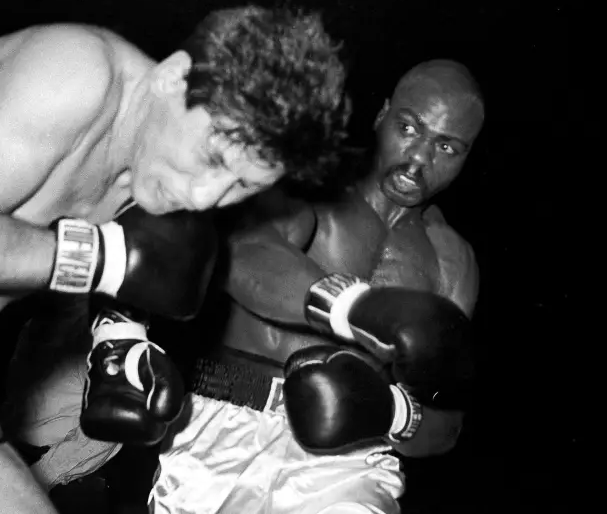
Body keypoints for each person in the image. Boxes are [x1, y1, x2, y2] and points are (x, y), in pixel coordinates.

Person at [0, 5, 352, 514]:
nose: (205, 195)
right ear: (174, 77)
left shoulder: (155, 185)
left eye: (241, 186)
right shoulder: (77, 71)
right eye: (213, 157)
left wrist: (121, 340)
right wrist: (107, 260)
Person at [147, 59, 485, 514]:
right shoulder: (311, 188)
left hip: (349, 464)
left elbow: (446, 422)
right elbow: (244, 256)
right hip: (223, 429)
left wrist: (393, 412)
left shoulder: (453, 261)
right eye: (409, 127)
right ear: (382, 114)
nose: (420, 157)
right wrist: (354, 306)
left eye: (447, 147)